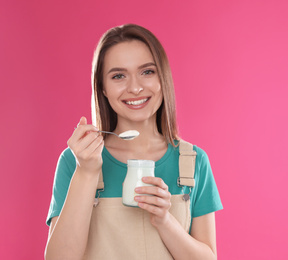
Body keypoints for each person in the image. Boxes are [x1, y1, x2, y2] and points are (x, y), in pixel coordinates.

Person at [45, 24, 223, 260]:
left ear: (163, 78)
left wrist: (164, 221)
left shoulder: (193, 161)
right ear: (103, 88)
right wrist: (87, 172)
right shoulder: (76, 161)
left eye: (147, 71)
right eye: (118, 76)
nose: (135, 87)